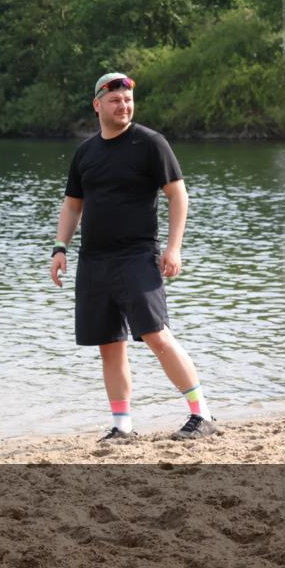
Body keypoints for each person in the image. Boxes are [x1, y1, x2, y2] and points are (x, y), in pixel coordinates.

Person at [50, 72, 216, 442]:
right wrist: (60, 247)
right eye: (115, 101)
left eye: (127, 101)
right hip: (93, 261)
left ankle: (201, 414)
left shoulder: (150, 143)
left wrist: (174, 247)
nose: (123, 106)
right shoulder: (86, 152)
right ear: (97, 105)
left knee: (157, 335)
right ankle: (123, 426)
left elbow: (178, 195)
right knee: (109, 344)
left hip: (137, 256)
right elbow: (73, 204)